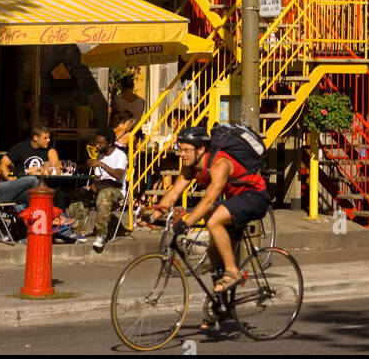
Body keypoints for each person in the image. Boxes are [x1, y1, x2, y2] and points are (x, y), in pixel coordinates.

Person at [145, 126, 270, 310]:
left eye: (187, 150)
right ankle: (220, 305)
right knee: (213, 250)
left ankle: (233, 271)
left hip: (254, 197)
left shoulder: (220, 165)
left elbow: (209, 199)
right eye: (180, 149)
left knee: (213, 220)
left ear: (201, 149)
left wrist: (186, 223)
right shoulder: (191, 168)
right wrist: (153, 215)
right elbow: (174, 193)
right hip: (235, 201)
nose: (182, 154)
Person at [66, 126, 127, 252]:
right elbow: (99, 178)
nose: (97, 146)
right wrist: (91, 187)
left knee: (104, 195)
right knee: (77, 194)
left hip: (116, 190)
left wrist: (101, 164)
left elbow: (118, 175)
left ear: (109, 143)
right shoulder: (99, 155)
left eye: (100, 143)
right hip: (101, 186)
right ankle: (78, 231)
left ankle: (101, 234)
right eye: (96, 142)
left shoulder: (120, 155)